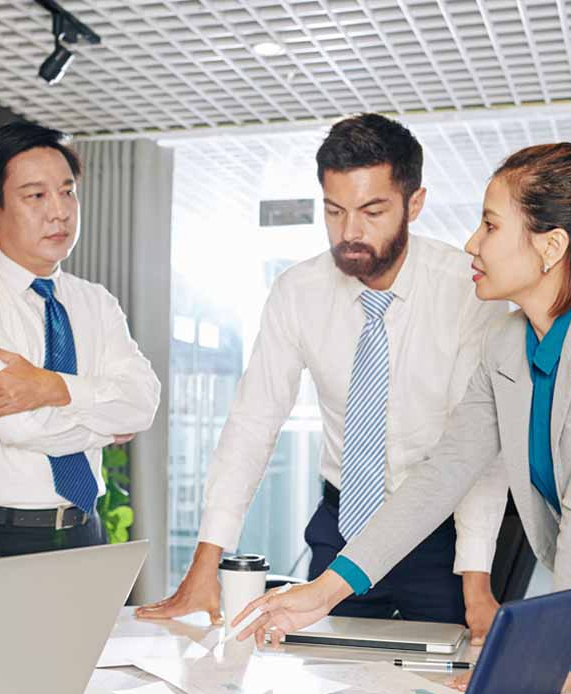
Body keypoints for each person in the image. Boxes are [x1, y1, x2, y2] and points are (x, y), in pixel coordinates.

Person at [234, 141, 571, 693]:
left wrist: (554, 661)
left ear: (550, 246)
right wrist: (325, 591)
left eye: (491, 226)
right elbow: (440, 475)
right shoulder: (507, 345)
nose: (471, 243)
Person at [138, 113, 508, 640]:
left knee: (445, 690)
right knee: (336, 687)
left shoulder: (465, 292)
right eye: (334, 211)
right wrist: (206, 561)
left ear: (415, 204)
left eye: (372, 210)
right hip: (342, 525)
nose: (350, 232)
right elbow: (252, 424)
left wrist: (476, 583)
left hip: (439, 536)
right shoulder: (298, 291)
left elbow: (476, 452)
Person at [0, 121, 160, 563]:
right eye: (36, 196)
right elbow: (16, 426)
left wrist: (53, 388)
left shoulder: (96, 303)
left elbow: (143, 404)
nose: (60, 212)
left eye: (67, 192)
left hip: (84, 531)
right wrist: (104, 422)